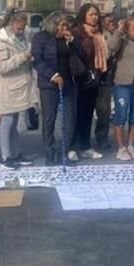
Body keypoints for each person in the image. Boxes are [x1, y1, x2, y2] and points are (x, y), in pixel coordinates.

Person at [31, 12, 80, 165]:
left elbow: (78, 57)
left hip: (68, 83)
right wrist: (52, 75)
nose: (65, 28)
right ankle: (50, 153)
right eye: (62, 25)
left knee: (69, 119)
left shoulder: (67, 38)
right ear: (54, 25)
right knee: (49, 119)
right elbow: (37, 60)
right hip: (49, 84)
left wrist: (72, 43)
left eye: (66, 25)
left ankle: (63, 152)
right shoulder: (41, 37)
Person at [0, 10, 39, 169]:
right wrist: (22, 58)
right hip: (8, 87)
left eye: (23, 28)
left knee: (16, 123)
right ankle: (6, 157)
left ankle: (16, 154)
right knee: (7, 121)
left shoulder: (21, 38)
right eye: (18, 28)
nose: (21, 31)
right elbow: (1, 67)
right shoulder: (1, 42)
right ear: (10, 25)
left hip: (20, 86)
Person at [106, 16, 134, 160]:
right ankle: (121, 147)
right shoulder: (122, 42)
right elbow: (111, 47)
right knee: (121, 116)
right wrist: (119, 31)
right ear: (127, 28)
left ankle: (131, 145)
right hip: (122, 84)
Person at [70, 3, 108, 160]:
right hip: (79, 79)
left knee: (88, 115)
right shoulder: (77, 32)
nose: (94, 17)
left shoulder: (98, 34)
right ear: (83, 16)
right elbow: (75, 55)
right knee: (76, 115)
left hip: (94, 79)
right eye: (91, 14)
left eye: (96, 14)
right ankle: (72, 147)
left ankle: (85, 146)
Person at [94, 13, 117, 152]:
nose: (111, 23)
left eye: (112, 21)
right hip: (98, 75)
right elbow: (110, 50)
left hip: (107, 76)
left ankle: (102, 138)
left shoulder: (114, 34)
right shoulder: (100, 35)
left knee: (105, 111)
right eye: (108, 21)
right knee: (97, 109)